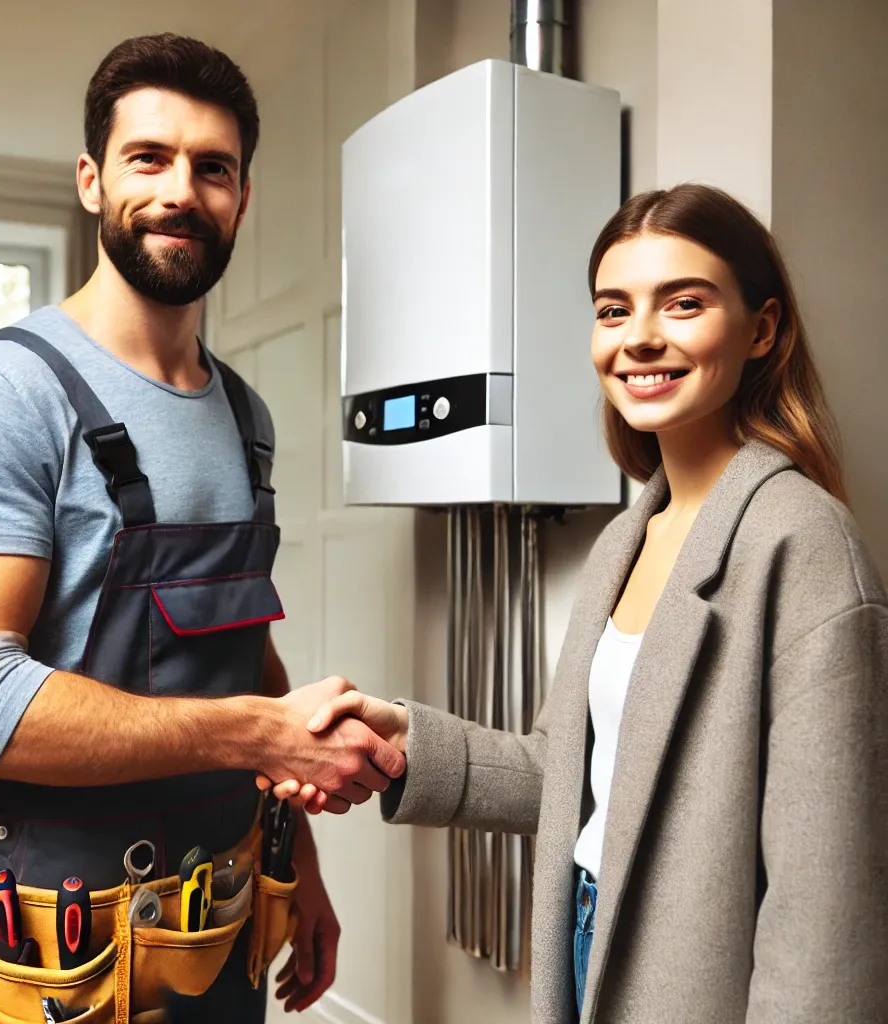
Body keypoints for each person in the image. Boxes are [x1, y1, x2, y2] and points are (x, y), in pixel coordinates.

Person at [263, 183, 888, 1021]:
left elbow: (826, 913)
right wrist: (403, 741)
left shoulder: (803, 544)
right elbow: (568, 771)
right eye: (613, 310)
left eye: (685, 303)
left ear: (762, 329)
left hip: (698, 978)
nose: (640, 339)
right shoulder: (628, 539)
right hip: (583, 937)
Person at [0, 33, 404, 1021]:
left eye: (212, 167)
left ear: (242, 198)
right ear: (91, 181)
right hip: (61, 953)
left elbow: (233, 644)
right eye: (149, 158)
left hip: (217, 924)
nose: (182, 190)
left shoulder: (242, 416)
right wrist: (259, 732)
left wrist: (296, 863)